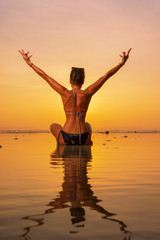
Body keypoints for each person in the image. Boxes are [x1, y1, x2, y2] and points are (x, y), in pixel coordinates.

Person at [18, 48, 132, 145]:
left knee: (53, 125)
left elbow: (45, 76)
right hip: (83, 138)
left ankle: (60, 146)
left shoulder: (64, 93)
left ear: (69, 80)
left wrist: (29, 62)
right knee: (88, 125)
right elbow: (106, 76)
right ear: (83, 81)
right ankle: (88, 142)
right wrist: (121, 63)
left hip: (66, 137)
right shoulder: (87, 93)